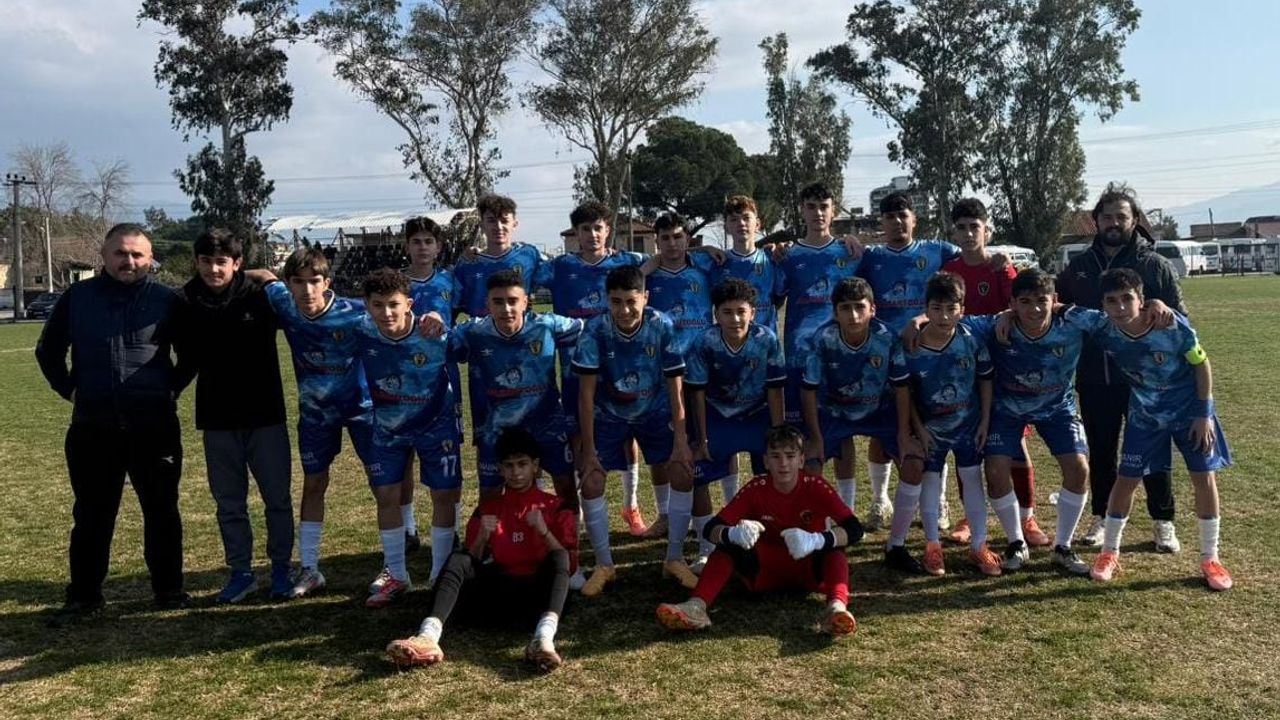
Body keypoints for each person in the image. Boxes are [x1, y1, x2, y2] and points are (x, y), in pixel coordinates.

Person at [35, 223, 192, 624]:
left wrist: (169, 390)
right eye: (121, 253)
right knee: (92, 514)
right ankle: (84, 597)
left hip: (153, 427)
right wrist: (70, 390)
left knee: (161, 511)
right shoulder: (78, 297)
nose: (129, 261)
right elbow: (48, 350)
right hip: (93, 427)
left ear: (150, 258)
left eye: (138, 254)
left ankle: (169, 590)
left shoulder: (167, 300)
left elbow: (191, 354)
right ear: (104, 256)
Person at [1066, 269, 1232, 591]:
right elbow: (1057, 308)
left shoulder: (1170, 325)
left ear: (1141, 300)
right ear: (1103, 304)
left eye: (1127, 299)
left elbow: (1201, 364)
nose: (1120, 307)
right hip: (1145, 417)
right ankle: (1109, 552)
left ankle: (1210, 558)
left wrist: (1204, 414)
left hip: (1190, 414)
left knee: (1203, 478)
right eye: (1111, 301)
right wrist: (1007, 315)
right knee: (1126, 480)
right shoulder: (1101, 325)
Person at [1055, 185, 1186, 552]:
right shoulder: (1080, 266)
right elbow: (1054, 302)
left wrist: (1162, 307)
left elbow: (1181, 318)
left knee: (1154, 450)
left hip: (1147, 381)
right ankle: (1101, 516)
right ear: (1096, 221)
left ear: (1134, 220)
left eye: (1121, 217)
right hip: (1095, 375)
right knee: (1101, 449)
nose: (1113, 223)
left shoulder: (1154, 264)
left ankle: (1163, 521)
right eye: (1107, 217)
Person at [385, 428, 578, 672]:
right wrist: (481, 539)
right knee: (459, 558)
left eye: (522, 464)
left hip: (538, 597)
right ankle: (428, 637)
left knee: (559, 555)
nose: (516, 472)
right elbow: (469, 563)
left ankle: (543, 639)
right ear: (500, 469)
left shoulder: (556, 507)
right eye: (509, 466)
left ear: (535, 466)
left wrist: (544, 532)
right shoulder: (488, 509)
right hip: (498, 597)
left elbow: (569, 566)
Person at [656, 425, 862, 635]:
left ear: (801, 460)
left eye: (790, 456)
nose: (783, 463)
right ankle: (696, 607)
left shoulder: (816, 486)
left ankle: (836, 608)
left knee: (835, 549)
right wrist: (732, 534)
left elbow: (855, 529)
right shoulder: (756, 488)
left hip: (808, 570)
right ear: (765, 461)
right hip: (763, 572)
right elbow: (711, 528)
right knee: (727, 547)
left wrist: (817, 540)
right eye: (776, 456)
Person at [182, 229, 294, 603]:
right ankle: (241, 572)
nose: (213, 269)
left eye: (221, 262)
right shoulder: (185, 300)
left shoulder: (260, 295)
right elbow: (181, 357)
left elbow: (303, 314)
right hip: (217, 420)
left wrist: (271, 277)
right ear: (196, 262)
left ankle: (281, 569)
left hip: (266, 417)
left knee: (277, 500)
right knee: (229, 504)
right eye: (206, 261)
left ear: (237, 263)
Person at [257, 248, 375, 598]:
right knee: (313, 484)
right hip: (316, 415)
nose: (307, 290)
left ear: (327, 283)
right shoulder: (285, 304)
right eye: (299, 282)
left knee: (383, 484)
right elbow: (263, 275)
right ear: (288, 284)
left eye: (314, 281)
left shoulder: (355, 312)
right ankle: (309, 568)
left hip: (362, 410)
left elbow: (395, 316)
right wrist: (233, 272)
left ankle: (395, 566)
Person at [572, 265, 693, 595]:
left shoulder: (662, 325)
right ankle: (605, 565)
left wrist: (681, 441)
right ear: (607, 301)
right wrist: (589, 451)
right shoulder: (595, 330)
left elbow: (676, 389)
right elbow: (585, 395)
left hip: (654, 411)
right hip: (609, 414)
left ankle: (674, 558)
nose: (624, 310)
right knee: (592, 481)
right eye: (616, 302)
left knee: (682, 472)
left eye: (631, 301)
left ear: (645, 298)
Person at [799, 277, 926, 573]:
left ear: (873, 309)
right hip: (835, 412)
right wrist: (815, 437)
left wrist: (903, 433)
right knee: (810, 465)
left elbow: (902, 387)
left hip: (880, 411)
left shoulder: (887, 337)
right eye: (845, 308)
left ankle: (896, 546)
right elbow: (808, 390)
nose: (854, 315)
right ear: (835, 312)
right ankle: (823, 540)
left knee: (913, 462)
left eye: (860, 307)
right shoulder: (822, 339)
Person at [942, 199, 1045, 547]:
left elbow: (1019, 308)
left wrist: (1006, 313)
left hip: (1004, 369)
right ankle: (970, 517)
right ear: (954, 232)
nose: (969, 233)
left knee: (1016, 443)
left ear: (987, 230)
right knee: (967, 444)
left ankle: (1027, 517)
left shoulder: (1001, 267)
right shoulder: (949, 270)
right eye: (962, 227)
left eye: (975, 226)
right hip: (964, 371)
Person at [356, 269, 462, 606]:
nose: (386, 313)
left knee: (443, 494)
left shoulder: (433, 332)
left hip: (437, 426)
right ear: (367, 306)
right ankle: (397, 574)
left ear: (409, 304)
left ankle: (440, 573)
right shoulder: (362, 330)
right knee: (386, 495)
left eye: (393, 304)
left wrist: (440, 319)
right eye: (378, 305)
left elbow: (471, 342)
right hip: (389, 429)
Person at [543, 201, 649, 536]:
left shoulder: (627, 262)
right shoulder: (559, 267)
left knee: (628, 433)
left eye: (598, 228)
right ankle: (582, 510)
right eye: (585, 229)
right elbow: (516, 274)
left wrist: (704, 249)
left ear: (608, 230)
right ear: (576, 233)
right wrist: (473, 253)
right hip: (575, 368)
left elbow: (668, 258)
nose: (592, 235)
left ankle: (631, 505)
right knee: (578, 433)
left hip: (619, 365)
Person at [892, 273, 999, 576]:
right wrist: (918, 428)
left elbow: (985, 381)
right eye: (937, 309)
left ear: (962, 310)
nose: (944, 316)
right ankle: (932, 546)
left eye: (951, 309)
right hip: (931, 429)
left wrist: (984, 421)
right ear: (926, 309)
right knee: (931, 481)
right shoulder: (910, 347)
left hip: (968, 425)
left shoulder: (971, 340)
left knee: (972, 478)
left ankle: (979, 545)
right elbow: (907, 392)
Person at [448, 270, 582, 506]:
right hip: (496, 427)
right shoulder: (473, 331)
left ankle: (569, 530)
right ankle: (495, 531)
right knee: (489, 496)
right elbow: (436, 343)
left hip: (547, 423)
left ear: (525, 302)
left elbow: (596, 329)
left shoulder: (547, 325)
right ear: (488, 303)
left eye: (512, 301)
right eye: (498, 302)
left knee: (566, 486)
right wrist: (430, 320)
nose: (506, 309)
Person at [775, 184, 864, 522]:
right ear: (802, 210)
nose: (818, 213)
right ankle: (813, 510)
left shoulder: (849, 252)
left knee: (842, 436)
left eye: (824, 206)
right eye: (811, 206)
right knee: (807, 438)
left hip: (840, 360)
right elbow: (774, 297)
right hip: (799, 359)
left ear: (833, 210)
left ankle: (846, 509)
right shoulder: (788, 255)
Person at [686, 279, 787, 571]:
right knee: (698, 475)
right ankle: (706, 548)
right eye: (727, 312)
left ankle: (772, 538)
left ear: (752, 313)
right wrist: (701, 437)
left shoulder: (767, 339)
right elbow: (697, 392)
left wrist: (778, 432)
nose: (735, 319)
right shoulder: (704, 341)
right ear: (716, 314)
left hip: (756, 414)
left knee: (774, 473)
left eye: (741, 311)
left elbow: (775, 389)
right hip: (717, 414)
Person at [403, 215, 460, 553]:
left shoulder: (451, 280)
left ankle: (452, 529)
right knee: (405, 456)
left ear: (438, 247)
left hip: (444, 378)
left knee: (449, 455)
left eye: (429, 241)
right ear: (407, 247)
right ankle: (408, 527)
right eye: (416, 241)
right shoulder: (397, 283)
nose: (422, 247)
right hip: (404, 381)